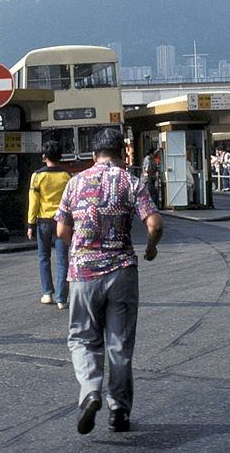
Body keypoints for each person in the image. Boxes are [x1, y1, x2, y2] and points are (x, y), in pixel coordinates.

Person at [56, 127, 164, 435]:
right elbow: (154, 224)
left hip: (83, 274)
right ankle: (119, 412)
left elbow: (62, 231)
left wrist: (81, 248)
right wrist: (151, 248)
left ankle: (91, 390)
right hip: (122, 272)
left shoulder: (75, 183)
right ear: (122, 153)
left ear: (94, 155)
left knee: (82, 338)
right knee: (119, 345)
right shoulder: (131, 182)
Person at [26, 140, 72, 309]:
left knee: (44, 257)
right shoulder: (67, 176)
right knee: (62, 260)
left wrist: (30, 224)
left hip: (43, 222)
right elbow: (71, 202)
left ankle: (47, 293)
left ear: (44, 156)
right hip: (63, 222)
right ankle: (61, 298)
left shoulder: (38, 176)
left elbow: (33, 202)